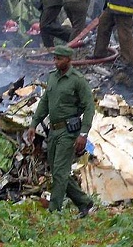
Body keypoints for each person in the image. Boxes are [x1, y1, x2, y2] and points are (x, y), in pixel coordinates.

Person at [27, 45, 94, 216]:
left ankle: (54, 211)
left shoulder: (77, 80)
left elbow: (89, 107)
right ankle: (84, 202)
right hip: (54, 131)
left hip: (69, 132)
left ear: (68, 60)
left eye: (59, 59)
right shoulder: (52, 78)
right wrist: (34, 124)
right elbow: (44, 103)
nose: (55, 62)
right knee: (58, 171)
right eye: (54, 58)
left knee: (59, 171)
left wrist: (83, 134)